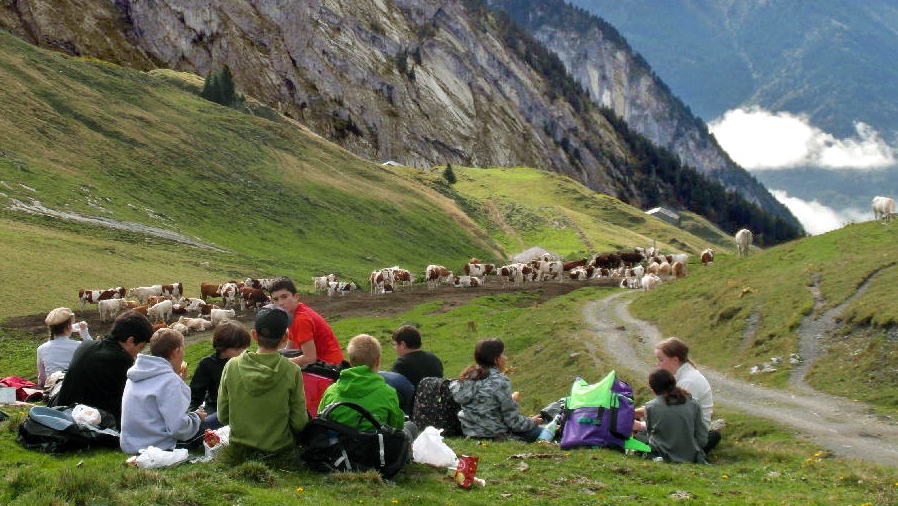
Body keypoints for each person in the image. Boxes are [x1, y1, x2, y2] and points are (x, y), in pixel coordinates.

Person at [217, 305, 308, 454]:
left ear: (254, 335)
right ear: (285, 338)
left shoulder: (231, 365)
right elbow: (299, 422)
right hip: (279, 448)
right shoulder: (292, 370)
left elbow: (222, 415)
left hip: (240, 447)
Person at [53, 310, 153, 428]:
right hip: (85, 421)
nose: (137, 353)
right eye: (140, 348)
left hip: (62, 412)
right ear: (130, 340)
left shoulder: (86, 346)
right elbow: (127, 402)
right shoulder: (122, 359)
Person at [120, 329, 206, 454]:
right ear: (176, 352)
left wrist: (177, 380)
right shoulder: (170, 380)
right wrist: (197, 417)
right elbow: (178, 429)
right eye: (183, 349)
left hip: (131, 444)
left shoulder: (136, 374)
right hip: (159, 446)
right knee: (215, 423)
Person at [318, 334, 418, 441]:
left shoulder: (331, 390)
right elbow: (397, 425)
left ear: (350, 362)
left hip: (340, 452)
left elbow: (321, 419)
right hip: (376, 451)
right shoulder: (388, 392)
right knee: (410, 426)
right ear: (378, 361)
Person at [635, 337, 720, 453]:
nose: (657, 364)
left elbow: (672, 418)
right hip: (688, 430)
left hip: (688, 435)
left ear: (675, 360)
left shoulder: (688, 382)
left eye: (661, 360)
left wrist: (640, 424)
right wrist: (636, 413)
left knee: (642, 436)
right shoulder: (682, 376)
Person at [449, 338, 543, 441]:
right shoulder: (500, 381)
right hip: (496, 436)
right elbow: (514, 423)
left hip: (472, 435)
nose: (506, 358)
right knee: (543, 432)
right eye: (503, 354)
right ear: (496, 359)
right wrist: (532, 421)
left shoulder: (466, 378)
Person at [269, 277, 344, 366]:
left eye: (284, 297)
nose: (280, 303)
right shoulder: (291, 313)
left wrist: (277, 364)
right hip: (321, 361)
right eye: (276, 299)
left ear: (296, 297)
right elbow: (290, 348)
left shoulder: (301, 319)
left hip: (329, 366)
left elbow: (309, 358)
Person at [637, 368, 707, 463]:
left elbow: (650, 436)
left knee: (640, 434)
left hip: (663, 455)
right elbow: (702, 438)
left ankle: (655, 457)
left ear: (653, 389)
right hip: (690, 456)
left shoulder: (650, 407)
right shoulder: (694, 403)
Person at [189, 321, 250, 429]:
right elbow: (195, 395)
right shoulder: (207, 364)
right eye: (237, 349)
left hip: (242, 405)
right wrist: (192, 416)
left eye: (243, 348)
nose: (242, 352)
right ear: (223, 347)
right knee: (202, 426)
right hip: (217, 408)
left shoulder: (245, 359)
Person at [36, 307, 93, 388]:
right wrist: (85, 333)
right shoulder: (79, 346)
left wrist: (42, 387)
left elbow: (42, 378)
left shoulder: (41, 349)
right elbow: (96, 350)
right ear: (69, 327)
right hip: (75, 388)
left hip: (52, 390)